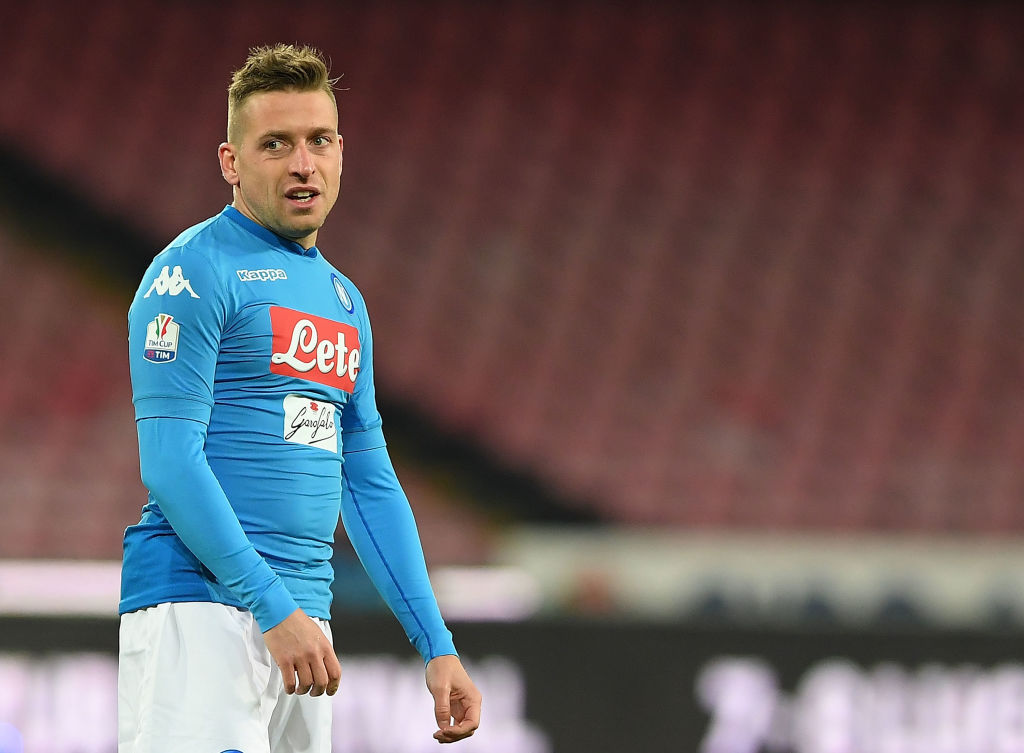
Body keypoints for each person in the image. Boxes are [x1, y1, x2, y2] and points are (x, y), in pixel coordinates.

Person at [118, 43, 481, 753]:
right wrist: (270, 603)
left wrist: (436, 643)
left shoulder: (344, 303)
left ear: (341, 152)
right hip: (202, 609)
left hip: (303, 621)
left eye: (318, 141)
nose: (302, 164)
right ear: (231, 162)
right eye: (275, 144)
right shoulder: (189, 274)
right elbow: (168, 461)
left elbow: (368, 478)